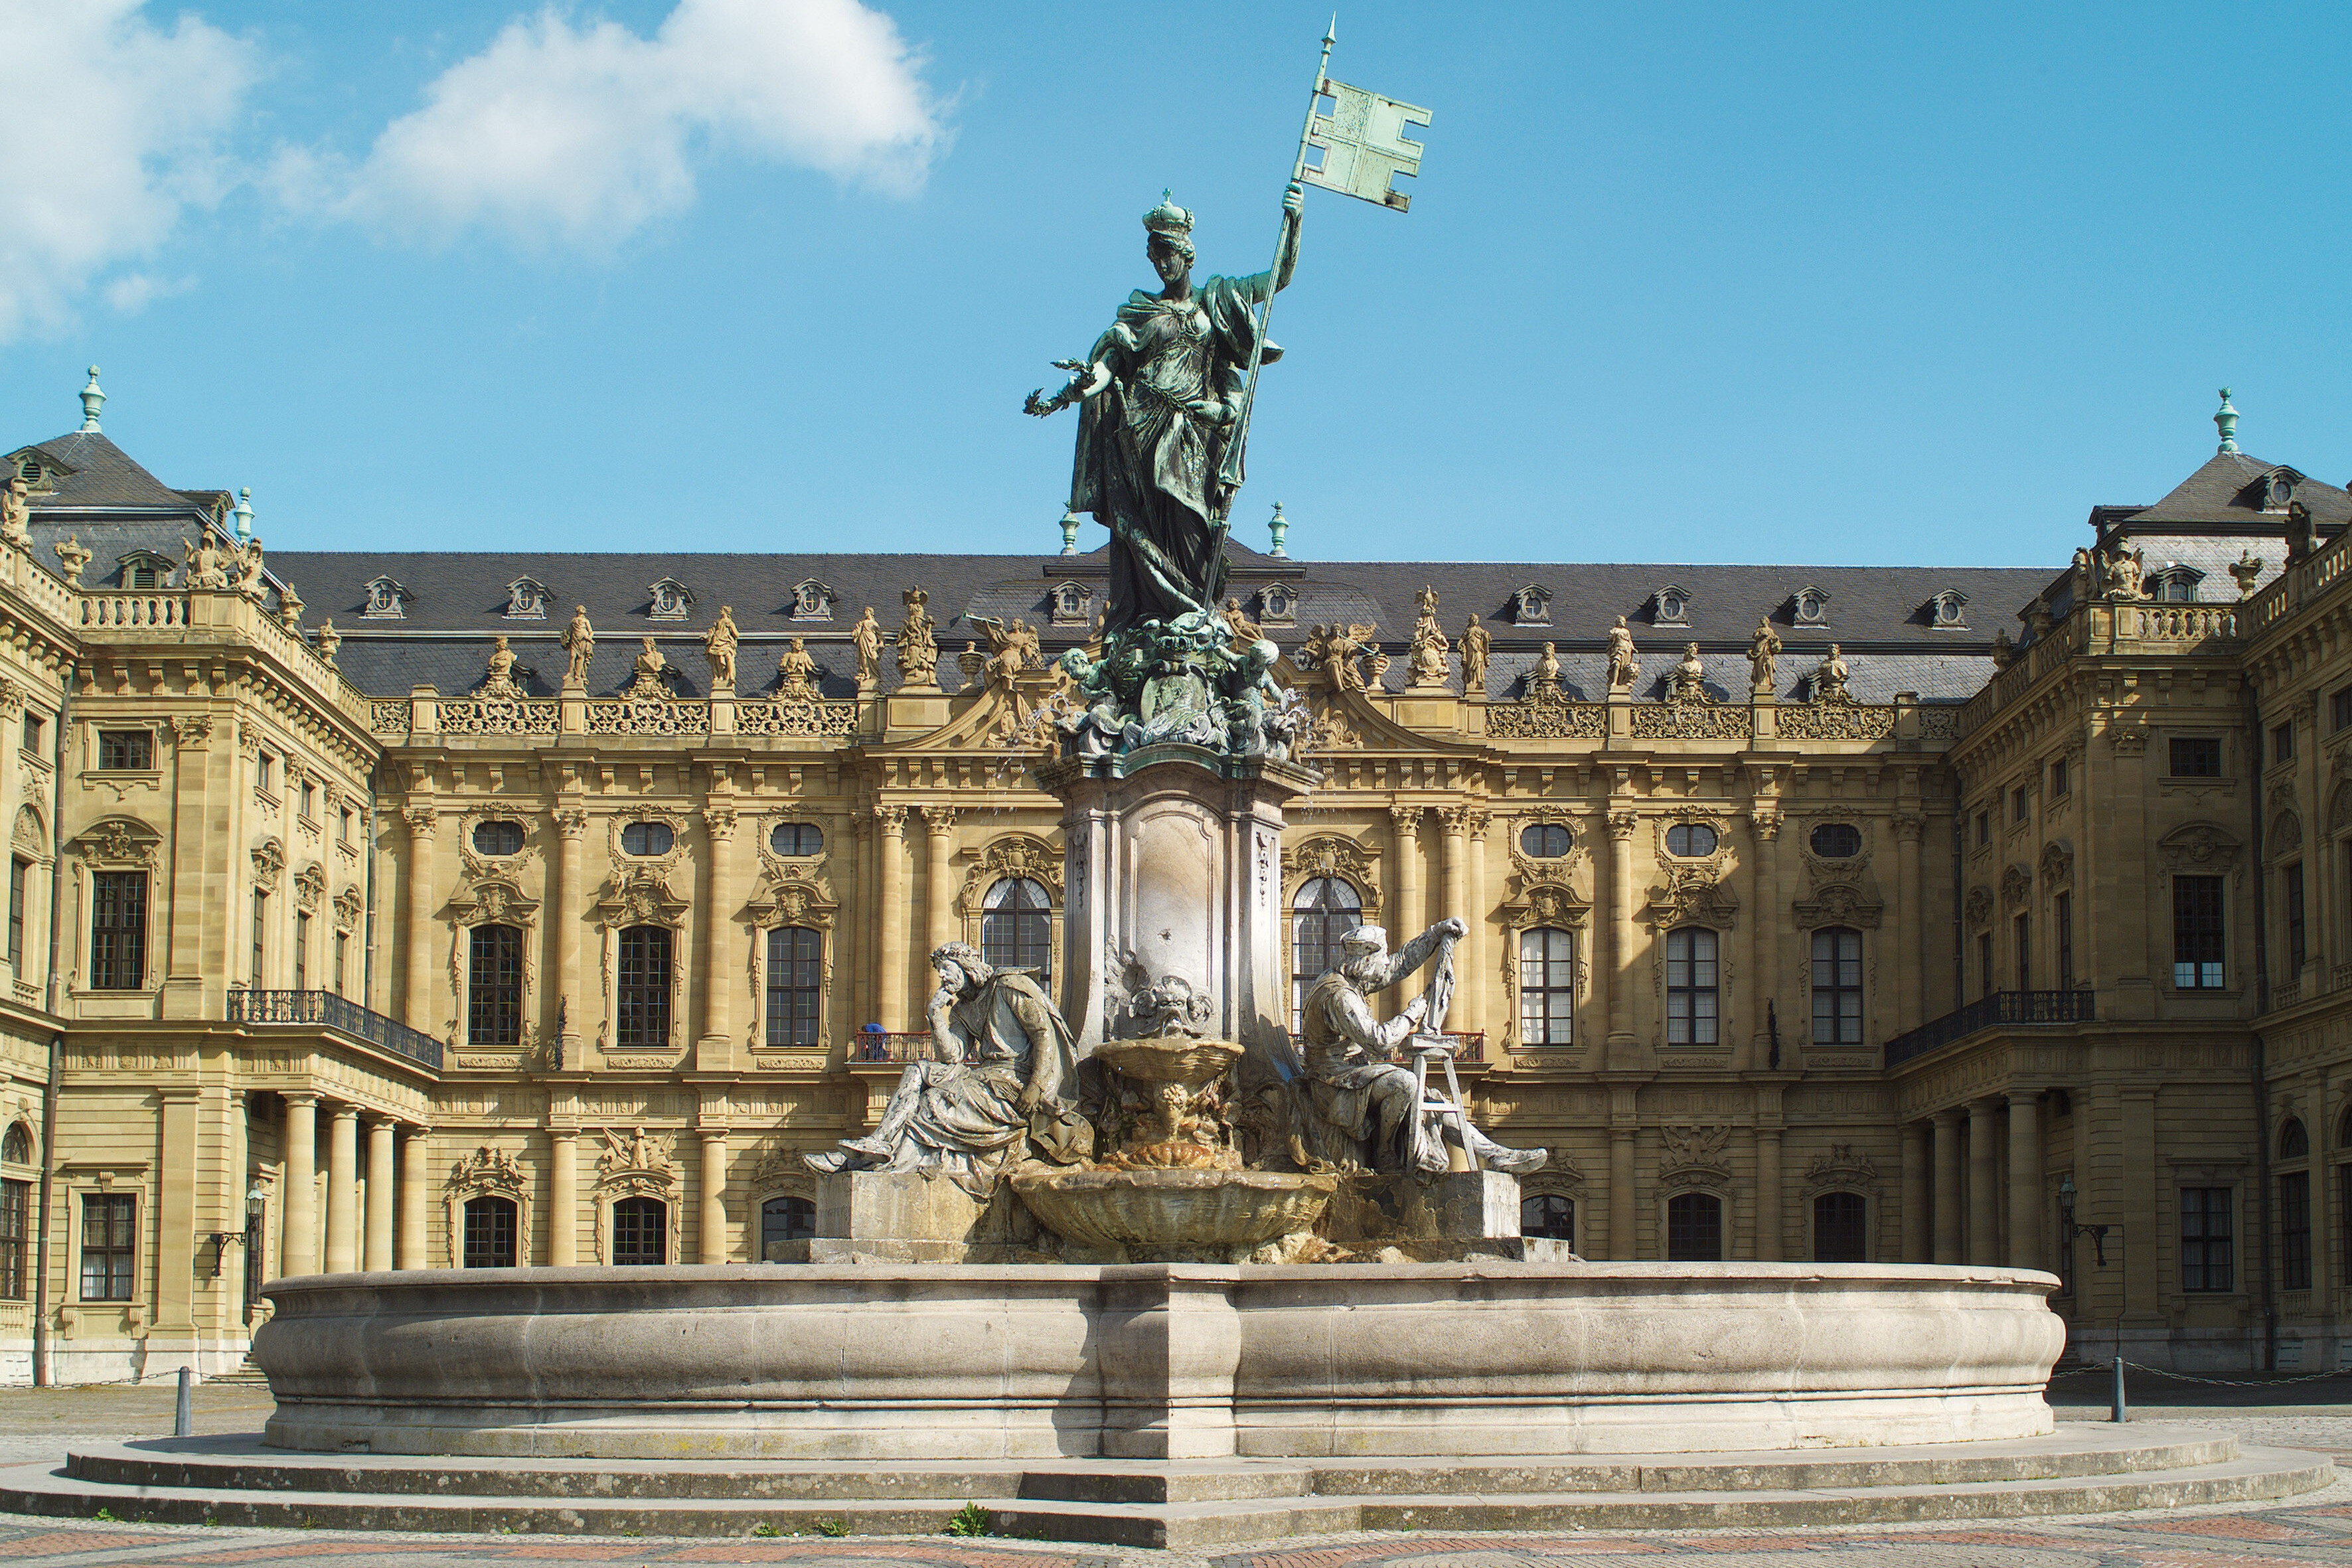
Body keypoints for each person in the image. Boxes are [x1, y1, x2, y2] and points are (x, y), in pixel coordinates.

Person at [1026, 185, 1306, 633]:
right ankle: (1154, 618)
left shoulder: (1217, 300)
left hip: (1194, 433)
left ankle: (1194, 613)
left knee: (1191, 526)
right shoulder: (1138, 311)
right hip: (1140, 431)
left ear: (1186, 254)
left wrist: (1293, 224)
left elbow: (1278, 279)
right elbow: (1105, 367)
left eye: (1167, 253)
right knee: (1142, 529)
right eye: (1154, 254)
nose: (1160, 262)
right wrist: (1073, 393)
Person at [805, 943, 1090, 1198]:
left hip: (1015, 1081)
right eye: (939, 970)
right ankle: (878, 1143)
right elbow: (952, 1055)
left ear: (966, 966)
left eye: (946, 968)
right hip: (986, 1077)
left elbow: (1044, 1034)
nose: (942, 976)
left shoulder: (1008, 986)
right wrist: (934, 1014)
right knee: (918, 1069)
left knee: (931, 1104)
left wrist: (1037, 1085)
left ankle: (861, 1163)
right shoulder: (964, 1009)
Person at [1296, 918, 1546, 1177]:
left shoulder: (1352, 977)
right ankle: (1385, 1153)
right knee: (1404, 1082)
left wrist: (1436, 932)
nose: (1386, 963)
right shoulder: (1340, 995)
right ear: (1367, 959)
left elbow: (1401, 964)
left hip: (1351, 1077)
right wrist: (1411, 1015)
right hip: (1332, 1083)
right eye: (1382, 956)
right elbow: (1379, 1042)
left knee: (1432, 1100)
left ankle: (1496, 1155)